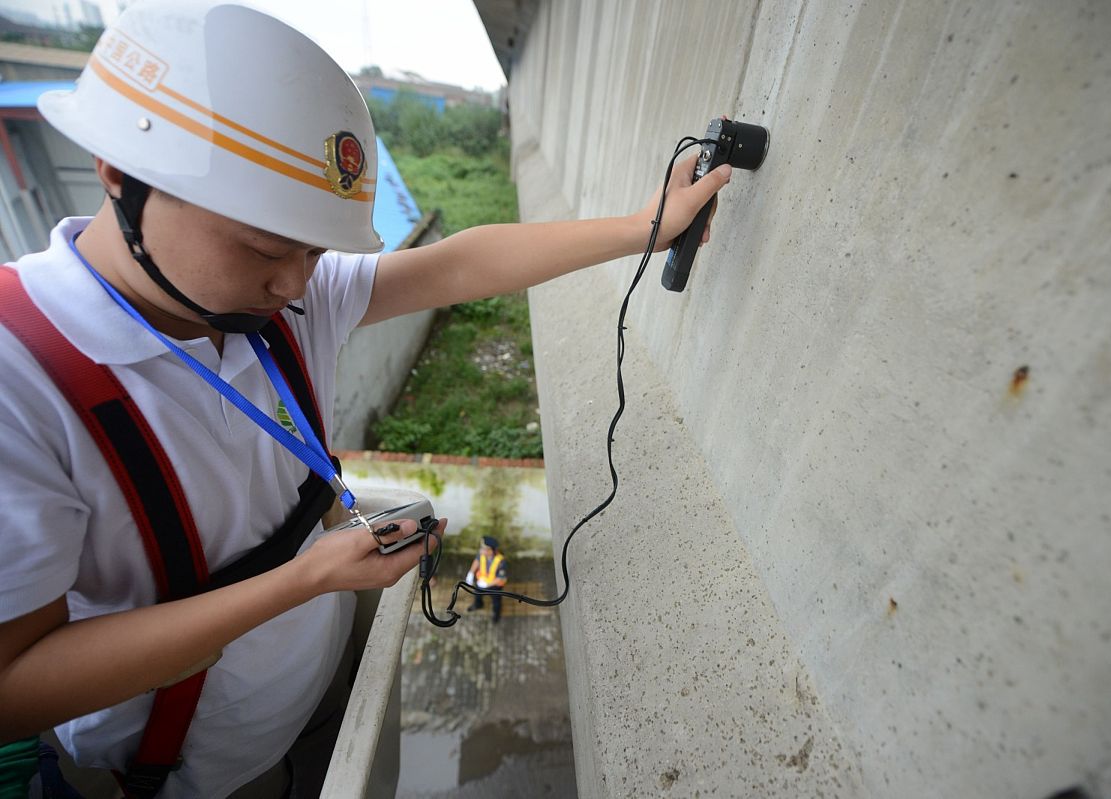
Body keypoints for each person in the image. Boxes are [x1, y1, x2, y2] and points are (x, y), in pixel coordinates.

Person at [0, 1, 733, 797]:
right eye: (266, 248)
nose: (294, 283)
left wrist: (643, 225)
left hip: (306, 707)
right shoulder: (24, 375)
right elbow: (17, 690)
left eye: (315, 251)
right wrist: (305, 580)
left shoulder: (274, 303)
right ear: (119, 173)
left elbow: (454, 267)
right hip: (179, 776)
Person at [465, 536, 508, 622]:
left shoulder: (501, 561)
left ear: (492, 550)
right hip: (481, 582)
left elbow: (500, 578)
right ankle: (478, 605)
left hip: (495, 586)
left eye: (484, 549)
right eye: (482, 548)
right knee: (477, 595)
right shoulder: (481, 554)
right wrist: (471, 573)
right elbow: (476, 561)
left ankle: (496, 614)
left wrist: (487, 585)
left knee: (496, 602)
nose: (481, 550)